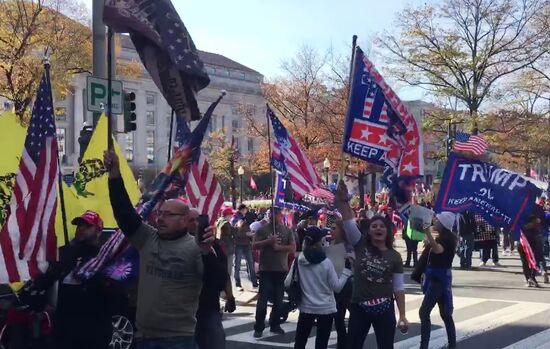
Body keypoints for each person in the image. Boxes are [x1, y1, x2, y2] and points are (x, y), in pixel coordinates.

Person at [104, 150, 219, 349]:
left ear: (184, 220)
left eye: (168, 215)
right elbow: (124, 213)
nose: (160, 218)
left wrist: (207, 252)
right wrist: (114, 174)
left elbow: (214, 281)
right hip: (144, 338)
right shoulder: (148, 238)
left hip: (178, 340)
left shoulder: (196, 248)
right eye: (160, 214)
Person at [20, 211, 116, 349]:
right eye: (79, 225)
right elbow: (44, 280)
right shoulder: (64, 253)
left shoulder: (104, 257)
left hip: (94, 332)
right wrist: (37, 301)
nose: (81, 229)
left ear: (98, 231)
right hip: (65, 331)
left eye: (87, 226)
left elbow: (114, 293)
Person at [335, 181, 408, 349]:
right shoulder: (360, 244)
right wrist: (344, 201)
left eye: (382, 226)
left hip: (385, 309)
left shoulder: (394, 256)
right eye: (374, 226)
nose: (378, 228)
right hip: (359, 307)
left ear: (387, 231)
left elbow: (398, 287)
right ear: (369, 231)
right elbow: (347, 222)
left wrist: (402, 315)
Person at [285, 226, 352, 349]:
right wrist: (346, 272)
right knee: (321, 342)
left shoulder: (299, 260)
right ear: (319, 241)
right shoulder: (326, 263)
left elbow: (287, 283)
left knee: (300, 341)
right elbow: (337, 287)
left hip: (306, 306)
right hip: (326, 308)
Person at [186, 209, 236, 349]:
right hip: (184, 312)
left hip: (209, 308)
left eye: (199, 220)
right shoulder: (178, 246)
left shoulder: (214, 245)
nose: (196, 224)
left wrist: (230, 297)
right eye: (191, 220)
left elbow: (223, 274)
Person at [252, 207, 296, 338]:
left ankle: (275, 324)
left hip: (281, 269)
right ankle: (259, 326)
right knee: (262, 300)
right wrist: (268, 242)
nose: (272, 216)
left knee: (278, 300)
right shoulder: (262, 230)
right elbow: (254, 245)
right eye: (269, 214)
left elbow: (293, 248)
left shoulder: (287, 231)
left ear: (280, 216)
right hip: (266, 269)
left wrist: (278, 247)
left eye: (274, 214)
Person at [418, 212, 459, 349]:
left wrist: (428, 235)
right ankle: (452, 345)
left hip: (438, 279)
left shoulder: (446, 239)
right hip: (438, 278)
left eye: (437, 220)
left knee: (424, 312)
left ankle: (424, 346)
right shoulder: (445, 237)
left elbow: (438, 250)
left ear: (443, 224)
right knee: (445, 314)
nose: (435, 221)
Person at [233, 206, 258, 289]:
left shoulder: (244, 218)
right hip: (239, 244)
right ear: (241, 210)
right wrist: (247, 234)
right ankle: (238, 283)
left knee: (250, 263)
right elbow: (235, 233)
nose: (246, 211)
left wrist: (250, 234)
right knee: (238, 264)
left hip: (246, 243)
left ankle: (254, 282)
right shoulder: (236, 219)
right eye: (245, 209)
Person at [216, 207, 236, 279]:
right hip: (227, 249)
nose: (232, 217)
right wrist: (237, 228)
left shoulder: (219, 221)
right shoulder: (226, 224)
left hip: (220, 248)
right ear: (227, 215)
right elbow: (231, 234)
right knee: (228, 271)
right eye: (231, 215)